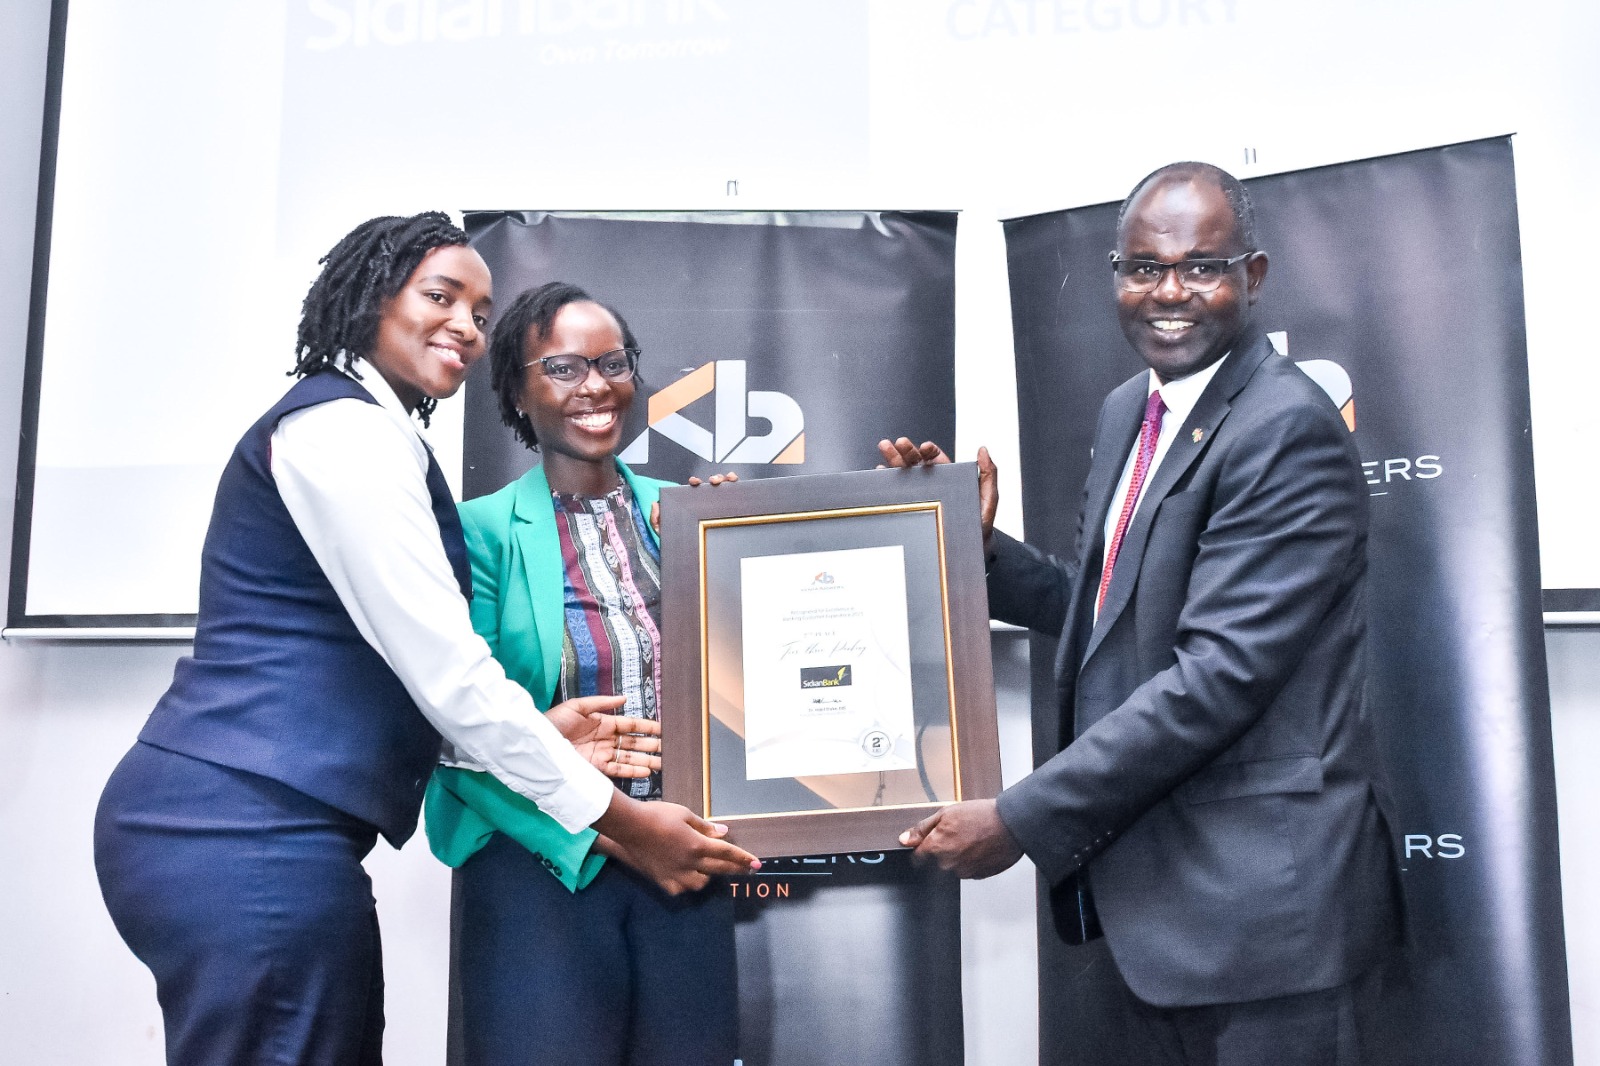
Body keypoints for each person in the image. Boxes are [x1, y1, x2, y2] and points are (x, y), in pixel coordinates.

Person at [93, 214, 756, 1066]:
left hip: (275, 829)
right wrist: (623, 823)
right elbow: (451, 674)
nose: (466, 329)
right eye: (441, 297)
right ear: (373, 297)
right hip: (243, 826)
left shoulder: (377, 431)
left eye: (479, 313)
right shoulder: (344, 431)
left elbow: (420, 683)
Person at [884, 163, 1401, 1065]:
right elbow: (1105, 612)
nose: (1169, 293)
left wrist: (1018, 818)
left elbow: (1216, 680)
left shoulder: (1285, 427)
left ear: (1255, 275)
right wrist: (973, 554)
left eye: (1202, 266)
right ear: (1115, 275)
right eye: (1143, 266)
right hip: (1150, 904)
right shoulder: (1134, 408)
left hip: (1263, 927)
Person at [424, 281, 739, 1066]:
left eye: (612, 363)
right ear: (518, 392)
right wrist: (624, 839)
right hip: (541, 872)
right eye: (563, 368)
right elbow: (463, 738)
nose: (596, 386)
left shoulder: (691, 513)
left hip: (686, 865)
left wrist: (735, 553)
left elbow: (749, 684)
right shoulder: (479, 533)